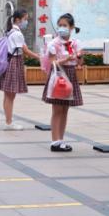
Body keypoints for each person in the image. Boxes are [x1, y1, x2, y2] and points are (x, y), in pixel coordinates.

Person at [43, 13, 83, 152]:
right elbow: (52, 62)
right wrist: (66, 59)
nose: (62, 28)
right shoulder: (53, 43)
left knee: (65, 109)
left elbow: (80, 62)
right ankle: (54, 141)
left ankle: (61, 140)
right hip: (58, 75)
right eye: (60, 25)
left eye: (65, 25)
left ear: (71, 27)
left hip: (70, 75)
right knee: (57, 110)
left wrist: (79, 57)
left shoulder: (75, 43)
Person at [0, 9, 39, 130]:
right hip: (14, 63)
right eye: (25, 19)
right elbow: (25, 50)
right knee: (10, 95)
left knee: (8, 95)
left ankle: (8, 121)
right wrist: (38, 57)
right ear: (17, 20)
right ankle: (9, 122)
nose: (26, 22)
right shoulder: (17, 34)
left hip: (9, 62)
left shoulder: (10, 31)